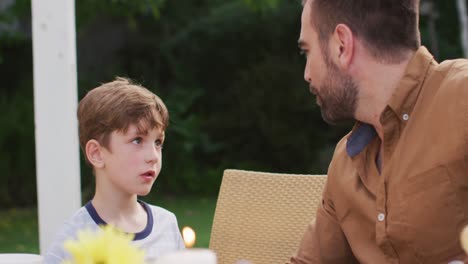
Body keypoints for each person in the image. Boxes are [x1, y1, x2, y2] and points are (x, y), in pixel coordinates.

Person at [291, 0, 468, 263]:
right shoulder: (345, 164)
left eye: (307, 51)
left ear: (342, 45)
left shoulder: (461, 100)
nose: (306, 74)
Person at [44, 77, 185, 263]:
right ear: (97, 154)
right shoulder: (73, 239)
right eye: (137, 140)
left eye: (158, 142)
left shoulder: (167, 225)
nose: (153, 156)